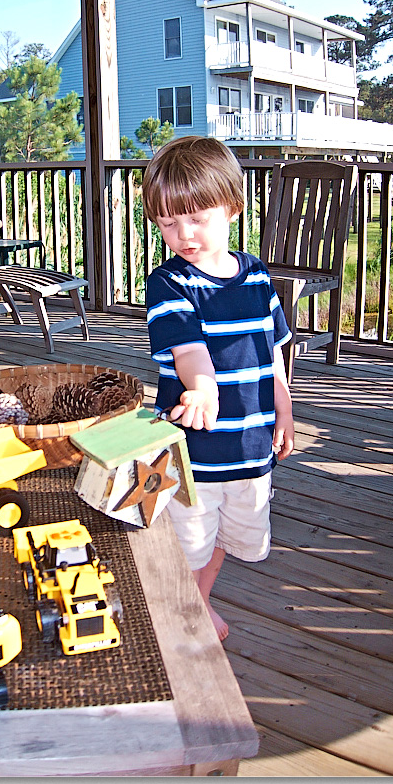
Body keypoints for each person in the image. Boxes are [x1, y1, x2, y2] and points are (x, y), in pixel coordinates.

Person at [143, 136, 294, 641]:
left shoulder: (256, 275)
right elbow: (188, 350)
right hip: (194, 452)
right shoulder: (169, 283)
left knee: (230, 534)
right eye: (168, 222)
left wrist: (284, 411)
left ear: (232, 205)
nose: (183, 234)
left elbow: (272, 351)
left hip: (250, 447)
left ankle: (200, 601)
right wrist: (202, 388)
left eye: (197, 218)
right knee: (187, 540)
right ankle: (180, 612)